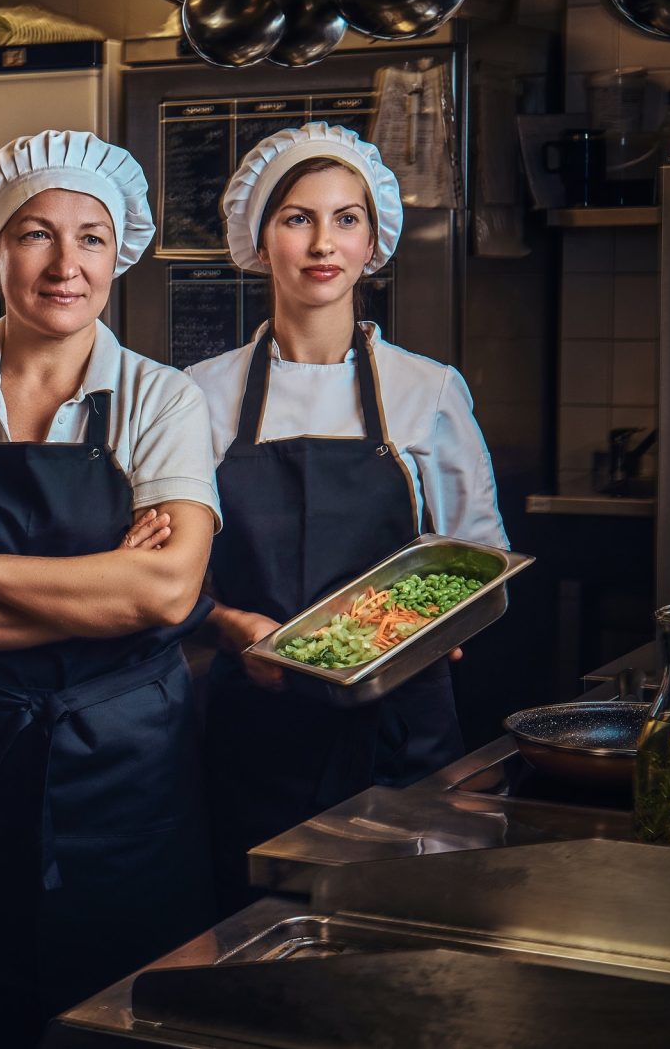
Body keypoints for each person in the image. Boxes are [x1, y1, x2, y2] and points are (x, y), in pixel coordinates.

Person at [0, 130, 221, 1047]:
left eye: (92, 238)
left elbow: (168, 594)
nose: (67, 264)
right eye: (35, 234)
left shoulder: (164, 397)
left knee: (130, 1014)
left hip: (133, 772)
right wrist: (103, 584)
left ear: (119, 255)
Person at [186, 123, 508, 915]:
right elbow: (173, 576)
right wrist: (228, 624)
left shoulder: (427, 390)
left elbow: (479, 553)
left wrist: (440, 620)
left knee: (405, 934)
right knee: (256, 938)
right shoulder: (197, 393)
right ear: (260, 242)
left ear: (373, 243)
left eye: (346, 218)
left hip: (401, 727)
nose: (323, 242)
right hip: (253, 727)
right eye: (297, 218)